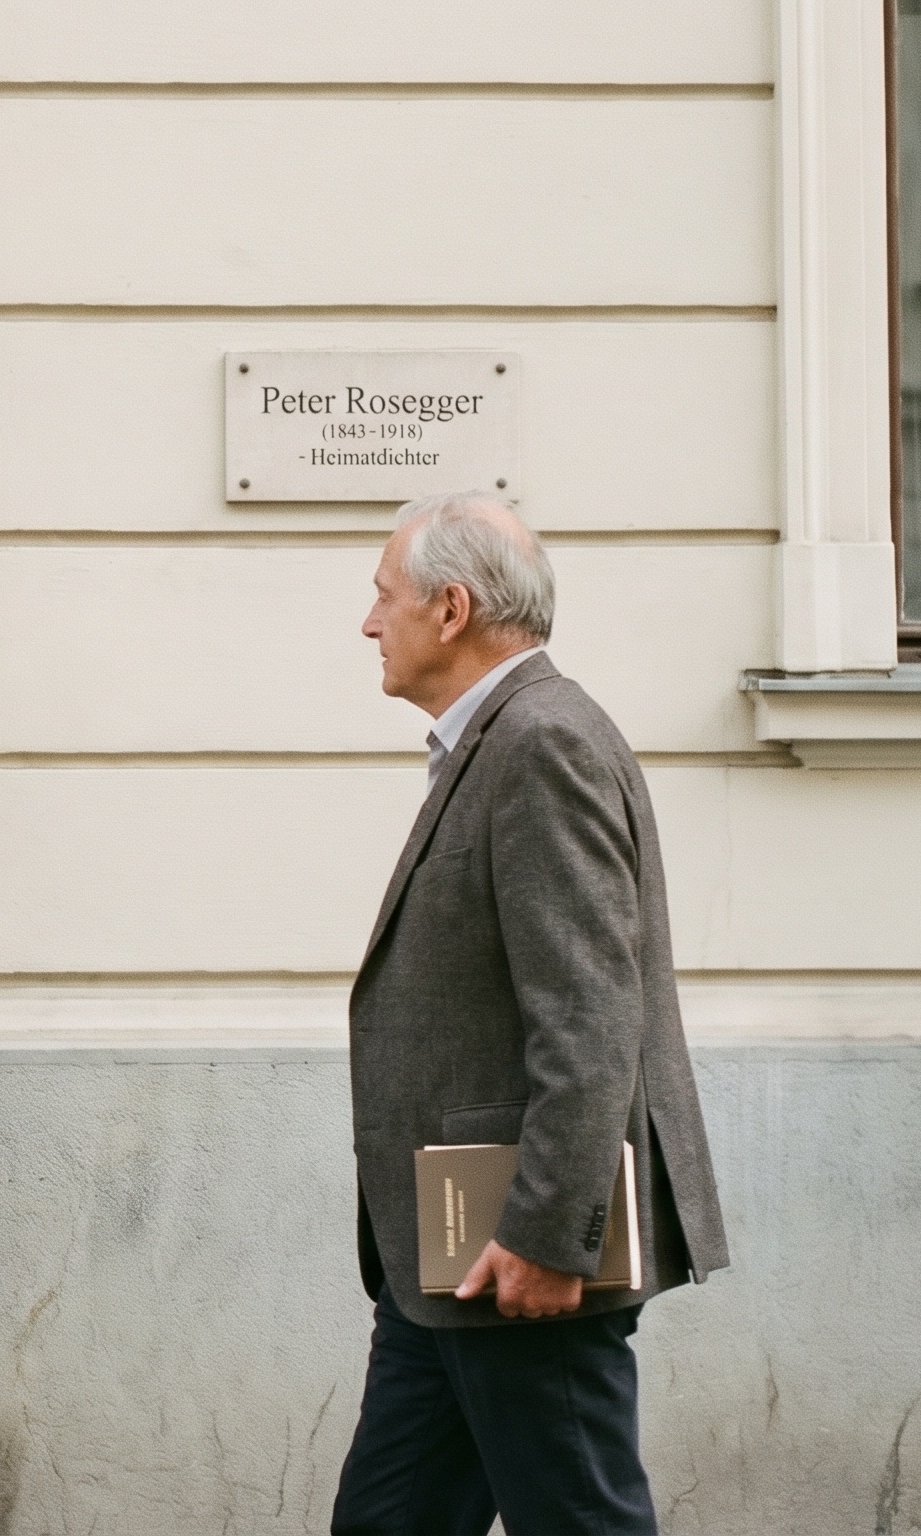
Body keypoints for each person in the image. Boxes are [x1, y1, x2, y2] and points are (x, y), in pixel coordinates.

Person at [334, 492, 730, 1536]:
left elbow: (591, 1015)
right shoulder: (496, 740)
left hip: (514, 1251)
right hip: (448, 1261)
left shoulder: (540, 744)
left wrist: (551, 1235)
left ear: (450, 609)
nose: (367, 623)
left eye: (383, 597)